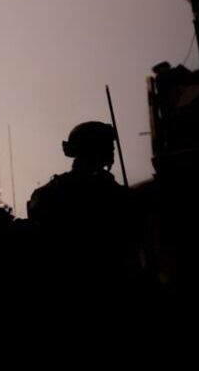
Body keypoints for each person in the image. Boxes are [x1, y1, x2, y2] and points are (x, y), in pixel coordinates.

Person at [27, 121, 141, 288]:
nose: (112, 150)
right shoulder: (108, 192)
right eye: (107, 146)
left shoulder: (49, 191)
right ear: (93, 149)